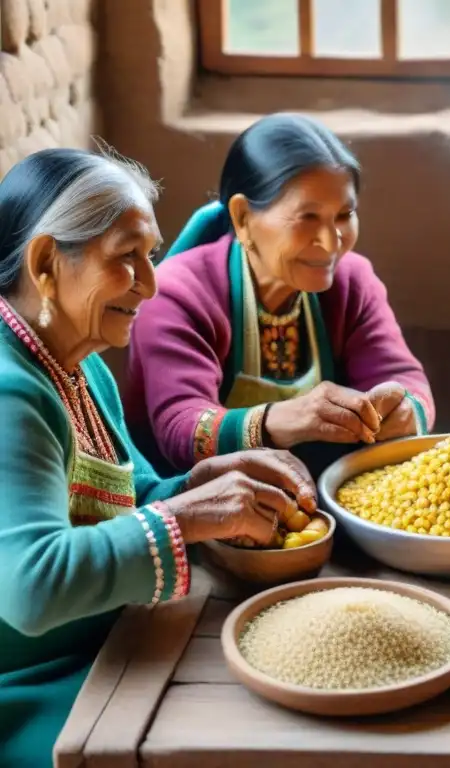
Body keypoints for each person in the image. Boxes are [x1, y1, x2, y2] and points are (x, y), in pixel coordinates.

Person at [0, 148, 321, 768]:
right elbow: (32, 586)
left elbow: (134, 495)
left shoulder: (79, 363)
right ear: (45, 261)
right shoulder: (11, 391)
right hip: (36, 687)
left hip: (116, 641)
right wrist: (193, 516)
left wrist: (203, 483)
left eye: (150, 257)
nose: (150, 284)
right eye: (127, 258)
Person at [123, 113, 434, 477]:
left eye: (345, 215)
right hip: (196, 507)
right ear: (242, 217)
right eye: (307, 218)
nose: (332, 241)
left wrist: (402, 408)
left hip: (321, 497)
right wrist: (285, 418)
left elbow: (403, 376)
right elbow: (181, 428)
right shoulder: (178, 294)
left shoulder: (352, 281)